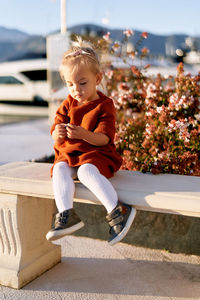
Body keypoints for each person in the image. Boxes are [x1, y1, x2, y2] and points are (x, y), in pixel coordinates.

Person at [46, 37, 136, 246]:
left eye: (82, 83)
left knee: (86, 172)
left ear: (98, 78)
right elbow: (55, 127)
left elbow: (104, 138)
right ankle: (66, 214)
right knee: (59, 169)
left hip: (97, 154)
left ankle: (118, 210)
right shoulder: (68, 103)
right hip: (71, 154)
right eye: (70, 84)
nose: (76, 89)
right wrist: (56, 133)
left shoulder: (104, 105)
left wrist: (83, 134)